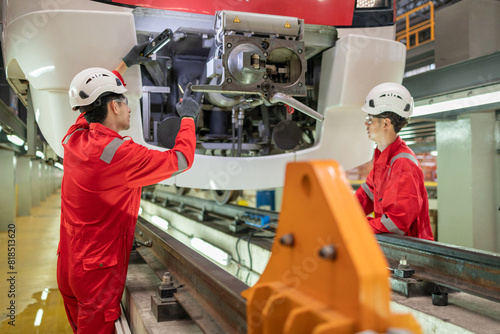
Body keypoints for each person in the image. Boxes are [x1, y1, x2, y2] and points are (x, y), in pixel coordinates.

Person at [56, 44, 199, 333]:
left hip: (69, 263)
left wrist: (125, 63)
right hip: (96, 272)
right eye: (125, 100)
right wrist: (189, 118)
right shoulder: (120, 155)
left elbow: (91, 97)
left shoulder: (76, 137)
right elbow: (181, 160)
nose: (129, 107)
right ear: (114, 106)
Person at [355, 82, 434, 241]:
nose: (366, 123)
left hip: (411, 254)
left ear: (385, 123)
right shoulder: (384, 159)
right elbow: (366, 197)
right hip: (396, 249)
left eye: (369, 118)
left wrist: (357, 227)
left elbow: (396, 222)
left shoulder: (402, 164)